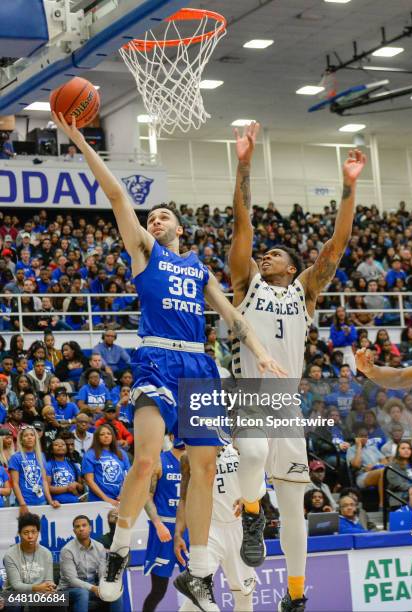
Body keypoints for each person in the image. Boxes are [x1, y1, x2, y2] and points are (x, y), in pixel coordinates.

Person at [53, 111, 284, 609]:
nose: (154, 220)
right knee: (147, 460)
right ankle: (118, 552)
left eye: (163, 216)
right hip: (157, 358)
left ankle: (198, 573)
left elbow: (231, 316)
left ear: (180, 226)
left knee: (203, 467)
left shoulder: (198, 268)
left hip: (199, 365)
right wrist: (77, 140)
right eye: (150, 216)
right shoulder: (144, 251)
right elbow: (117, 195)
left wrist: (262, 352)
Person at [228, 121, 366, 611]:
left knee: (293, 505)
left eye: (277, 253)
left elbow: (338, 244)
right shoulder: (247, 284)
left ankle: (296, 596)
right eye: (265, 252)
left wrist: (349, 187)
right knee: (250, 456)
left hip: (288, 402)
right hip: (252, 389)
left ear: (293, 266)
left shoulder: (306, 291)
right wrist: (243, 163)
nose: (266, 254)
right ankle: (249, 514)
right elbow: (242, 222)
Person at [175, 445, 257, 612]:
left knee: (245, 594)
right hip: (208, 528)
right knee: (197, 592)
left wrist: (249, 498)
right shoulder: (188, 457)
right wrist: (178, 533)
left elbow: (256, 482)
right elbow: (184, 498)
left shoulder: (239, 449)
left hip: (238, 527)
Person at [142, 440, 186, 612]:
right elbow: (146, 496)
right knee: (159, 590)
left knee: (198, 586)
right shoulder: (159, 461)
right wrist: (158, 523)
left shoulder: (196, 459)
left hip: (188, 528)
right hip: (164, 528)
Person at [58, 515, 122, 612]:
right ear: (74, 531)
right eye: (77, 526)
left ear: (90, 528)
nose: (81, 529)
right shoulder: (67, 550)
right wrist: (93, 588)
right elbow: (72, 580)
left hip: (93, 586)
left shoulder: (99, 547)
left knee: (115, 592)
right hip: (69, 590)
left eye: (84, 525)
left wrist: (104, 587)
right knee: (82, 593)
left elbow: (102, 572)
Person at [9, 426, 61, 512]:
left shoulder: (41, 456)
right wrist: (22, 504)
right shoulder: (15, 457)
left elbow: (44, 481)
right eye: (26, 436)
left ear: (35, 438)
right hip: (25, 502)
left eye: (32, 435)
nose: (29, 437)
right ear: (21, 440)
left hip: (42, 501)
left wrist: (50, 500)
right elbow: (15, 483)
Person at [3, 513, 55, 595]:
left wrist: (49, 587)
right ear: (19, 534)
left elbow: (49, 580)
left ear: (38, 533)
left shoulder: (46, 553)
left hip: (40, 592)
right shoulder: (10, 555)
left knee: (59, 600)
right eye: (26, 533)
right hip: (15, 594)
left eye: (33, 532)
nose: (30, 536)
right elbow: (16, 585)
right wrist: (37, 588)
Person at [82, 424, 130, 504]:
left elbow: (127, 476)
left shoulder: (122, 453)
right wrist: (106, 499)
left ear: (113, 436)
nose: (106, 436)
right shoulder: (90, 455)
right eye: (102, 434)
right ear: (97, 437)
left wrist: (123, 494)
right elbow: (89, 480)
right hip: (98, 500)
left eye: (109, 433)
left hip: (120, 500)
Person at [346, 424, 388, 506]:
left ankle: (382, 504)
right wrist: (359, 446)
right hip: (362, 477)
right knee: (382, 472)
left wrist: (375, 466)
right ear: (356, 437)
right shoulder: (351, 450)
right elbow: (356, 465)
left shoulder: (372, 448)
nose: (364, 438)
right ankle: (382, 504)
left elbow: (385, 462)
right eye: (361, 436)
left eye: (366, 436)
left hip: (378, 472)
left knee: (383, 472)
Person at [46, 437, 84, 504]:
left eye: (63, 444)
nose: (60, 446)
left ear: (66, 449)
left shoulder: (73, 465)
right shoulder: (48, 465)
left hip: (75, 502)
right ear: (51, 450)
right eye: (56, 444)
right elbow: (47, 487)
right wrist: (67, 488)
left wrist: (77, 484)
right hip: (57, 504)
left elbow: (82, 488)